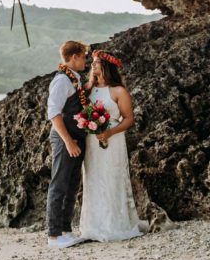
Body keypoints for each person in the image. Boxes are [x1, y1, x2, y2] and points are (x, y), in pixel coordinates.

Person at [78, 49, 146, 241]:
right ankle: (93, 226)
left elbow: (129, 119)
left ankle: (115, 225)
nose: (93, 65)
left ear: (106, 66)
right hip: (92, 141)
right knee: (93, 179)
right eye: (92, 62)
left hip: (113, 140)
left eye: (97, 62)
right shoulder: (87, 89)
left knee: (112, 178)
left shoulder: (118, 91)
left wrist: (110, 132)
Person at [45, 40, 89, 248]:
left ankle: (66, 230)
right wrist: (69, 141)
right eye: (84, 56)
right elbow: (54, 113)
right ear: (74, 57)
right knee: (59, 184)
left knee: (72, 185)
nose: (86, 60)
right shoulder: (62, 80)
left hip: (76, 137)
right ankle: (53, 235)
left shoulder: (75, 80)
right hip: (65, 138)